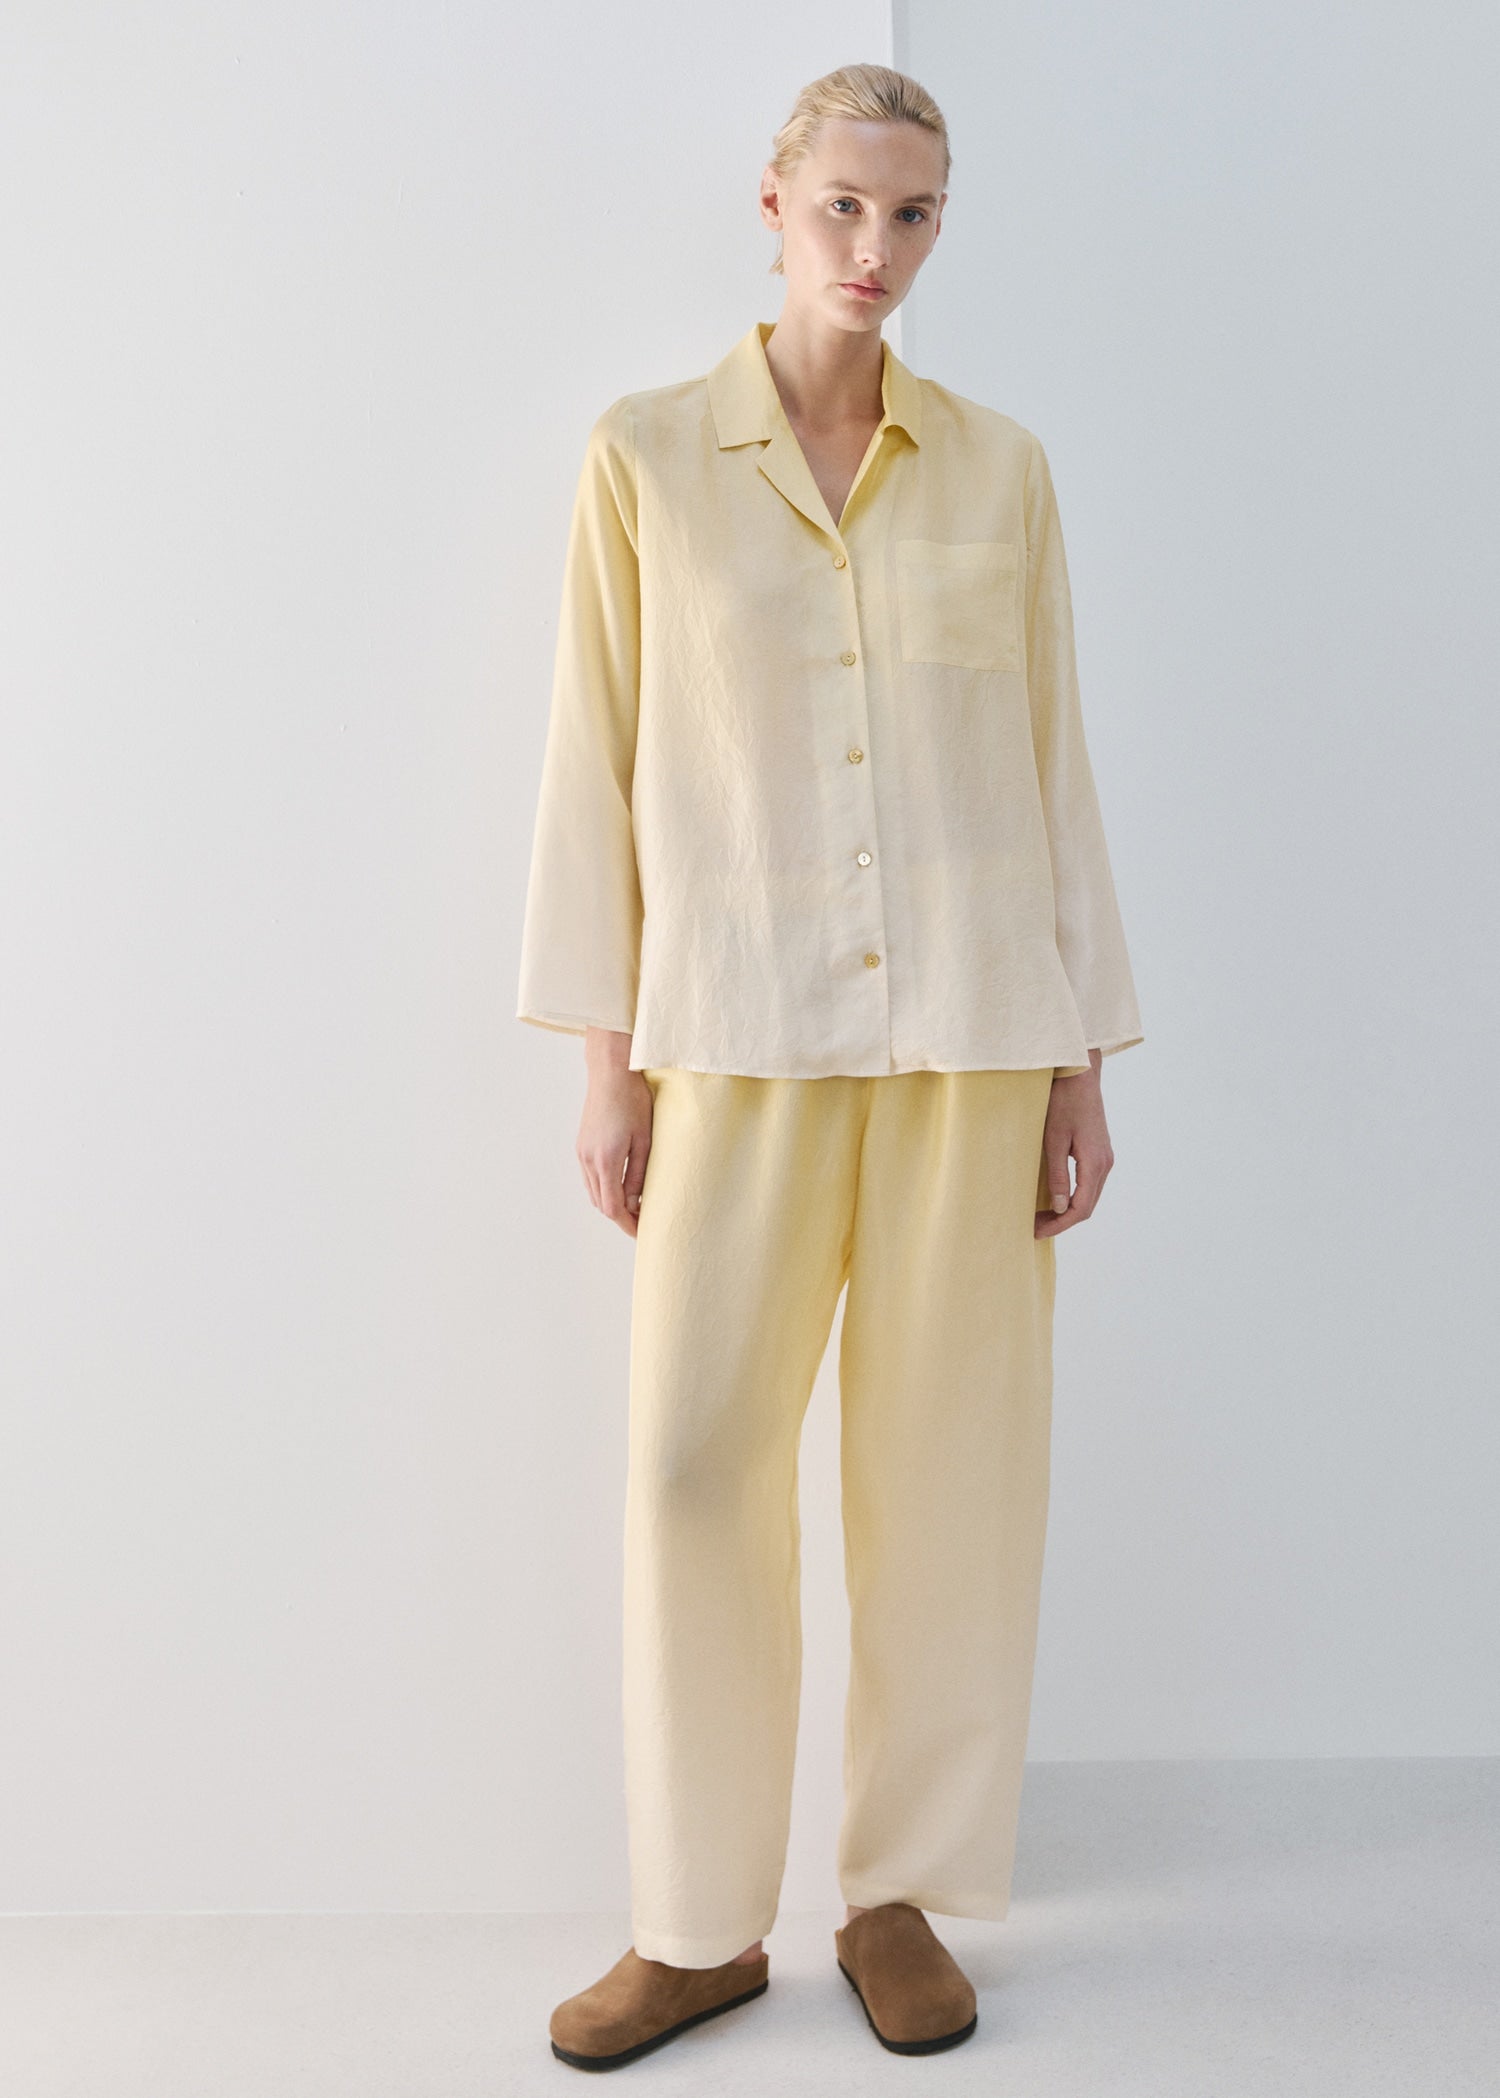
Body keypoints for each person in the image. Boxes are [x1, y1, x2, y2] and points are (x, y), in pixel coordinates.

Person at [517, 61, 1143, 2071]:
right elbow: (596, 770)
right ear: (774, 205)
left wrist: (1079, 1060)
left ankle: (895, 1895)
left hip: (975, 1030)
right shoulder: (644, 456)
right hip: (736, 1035)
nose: (879, 250)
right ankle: (695, 1926)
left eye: (916, 213)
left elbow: (1050, 764)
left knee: (949, 1479)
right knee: (692, 1470)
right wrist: (608, 1063)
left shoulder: (1002, 470)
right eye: (846, 207)